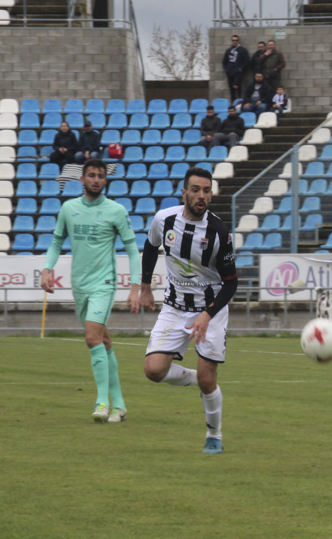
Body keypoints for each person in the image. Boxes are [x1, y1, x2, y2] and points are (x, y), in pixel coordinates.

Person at [140, 168, 238, 454]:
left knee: (209, 381)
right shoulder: (164, 219)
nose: (201, 196)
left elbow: (231, 284)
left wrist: (207, 315)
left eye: (207, 190)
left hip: (210, 310)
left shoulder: (219, 232)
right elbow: (150, 246)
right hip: (174, 307)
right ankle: (199, 377)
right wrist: (145, 286)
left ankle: (214, 435)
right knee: (153, 371)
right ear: (184, 192)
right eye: (195, 190)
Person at [40, 159, 142, 423]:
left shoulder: (116, 210)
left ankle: (102, 402)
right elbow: (56, 242)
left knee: (91, 338)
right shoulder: (68, 209)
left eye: (100, 176)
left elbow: (132, 249)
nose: (96, 180)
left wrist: (134, 287)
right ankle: (120, 405)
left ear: (105, 181)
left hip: (103, 284)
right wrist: (46, 269)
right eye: (91, 175)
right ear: (82, 179)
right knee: (104, 342)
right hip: (80, 286)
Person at [222, 35, 249, 102]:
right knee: (232, 91)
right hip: (230, 73)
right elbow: (224, 62)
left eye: (236, 40)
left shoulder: (242, 50)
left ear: (238, 41)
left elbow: (247, 61)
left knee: (238, 89)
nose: (234, 42)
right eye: (233, 40)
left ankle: (239, 104)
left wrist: (240, 69)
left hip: (238, 74)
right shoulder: (228, 50)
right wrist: (226, 70)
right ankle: (233, 106)